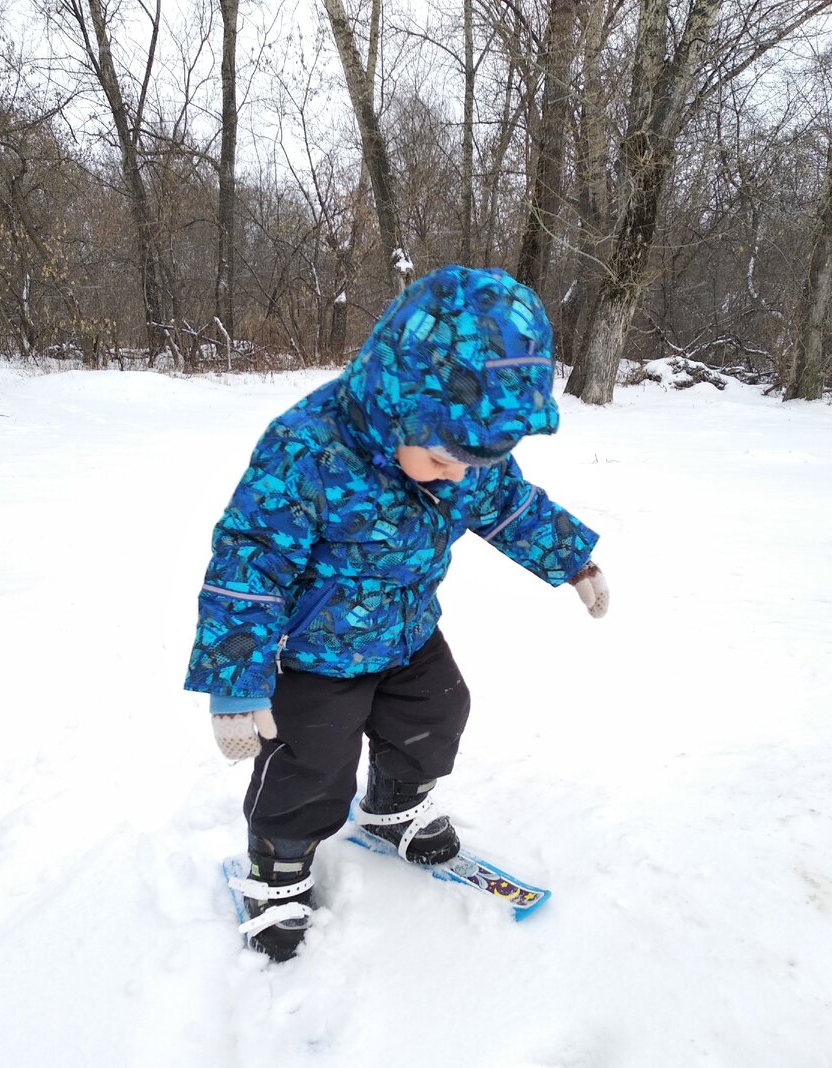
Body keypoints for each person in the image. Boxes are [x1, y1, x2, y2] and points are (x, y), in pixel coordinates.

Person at [185, 265, 609, 961]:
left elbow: (509, 505)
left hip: (409, 631)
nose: (460, 476)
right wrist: (236, 678)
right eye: (445, 460)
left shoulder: (463, 448)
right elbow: (249, 561)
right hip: (317, 652)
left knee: (439, 712)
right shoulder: (306, 448)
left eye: (475, 463)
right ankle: (279, 864)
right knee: (310, 760)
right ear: (397, 405)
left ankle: (392, 808)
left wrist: (572, 561)